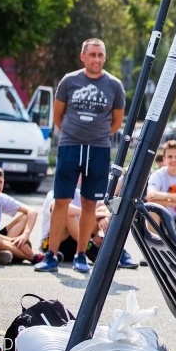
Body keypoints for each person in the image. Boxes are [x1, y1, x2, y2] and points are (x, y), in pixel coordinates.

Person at [35, 38, 128, 274]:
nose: (96, 59)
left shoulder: (114, 85)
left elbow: (116, 121)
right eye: (92, 54)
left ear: (104, 58)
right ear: (83, 56)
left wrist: (96, 134)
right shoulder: (70, 81)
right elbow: (58, 116)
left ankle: (80, 256)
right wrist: (73, 133)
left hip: (98, 149)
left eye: (100, 55)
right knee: (61, 202)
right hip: (70, 147)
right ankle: (51, 255)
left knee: (89, 203)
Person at [38, 186, 137, 268]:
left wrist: (103, 216)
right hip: (52, 243)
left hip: (77, 244)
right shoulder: (54, 193)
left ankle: (118, 249)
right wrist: (93, 214)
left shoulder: (83, 194)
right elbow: (60, 208)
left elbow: (110, 205)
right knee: (67, 215)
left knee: (103, 212)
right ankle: (93, 248)